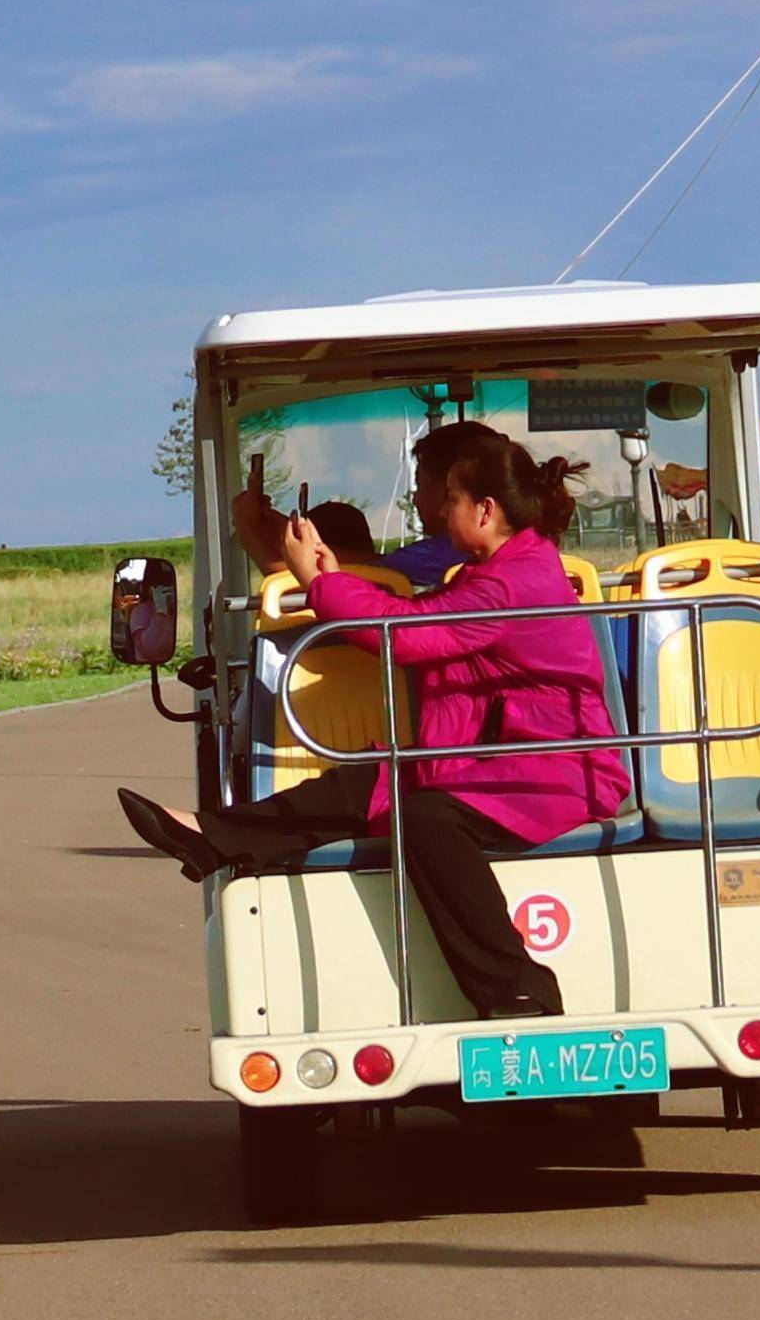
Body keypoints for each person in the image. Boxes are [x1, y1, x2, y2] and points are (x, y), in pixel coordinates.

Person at [122, 420, 633, 1021]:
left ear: (486, 510)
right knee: (383, 781)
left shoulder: (509, 581)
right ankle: (215, 836)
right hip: (512, 761)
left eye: (450, 499)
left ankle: (519, 992)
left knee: (421, 812)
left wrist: (318, 582)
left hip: (551, 772)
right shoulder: (501, 571)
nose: (438, 511)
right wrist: (329, 575)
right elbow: (412, 614)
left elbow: (406, 637)